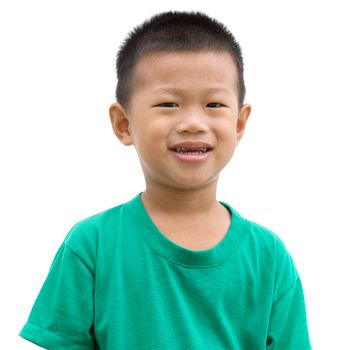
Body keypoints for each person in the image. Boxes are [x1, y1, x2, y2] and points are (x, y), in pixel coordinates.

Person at [19, 11, 311, 349]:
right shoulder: (93, 245)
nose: (192, 122)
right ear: (123, 124)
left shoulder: (269, 257)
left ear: (239, 124)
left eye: (214, 104)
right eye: (168, 103)